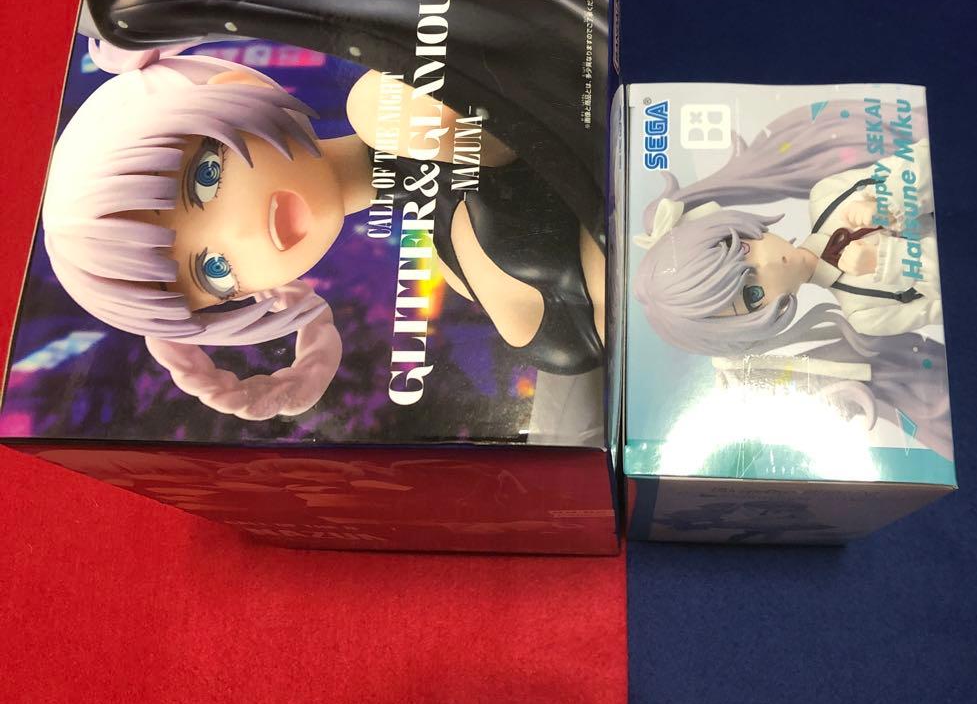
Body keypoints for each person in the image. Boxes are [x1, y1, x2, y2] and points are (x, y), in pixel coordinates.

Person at [42, 39, 604, 421]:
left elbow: (516, 115)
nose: (248, 234)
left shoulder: (379, 107)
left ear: (239, 86)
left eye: (207, 176)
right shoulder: (446, 246)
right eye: (216, 272)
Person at [632, 100, 952, 459]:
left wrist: (889, 200)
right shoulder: (866, 314)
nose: (772, 263)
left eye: (743, 249)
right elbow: (949, 301)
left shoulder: (828, 197)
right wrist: (888, 261)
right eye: (753, 295)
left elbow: (927, 159)